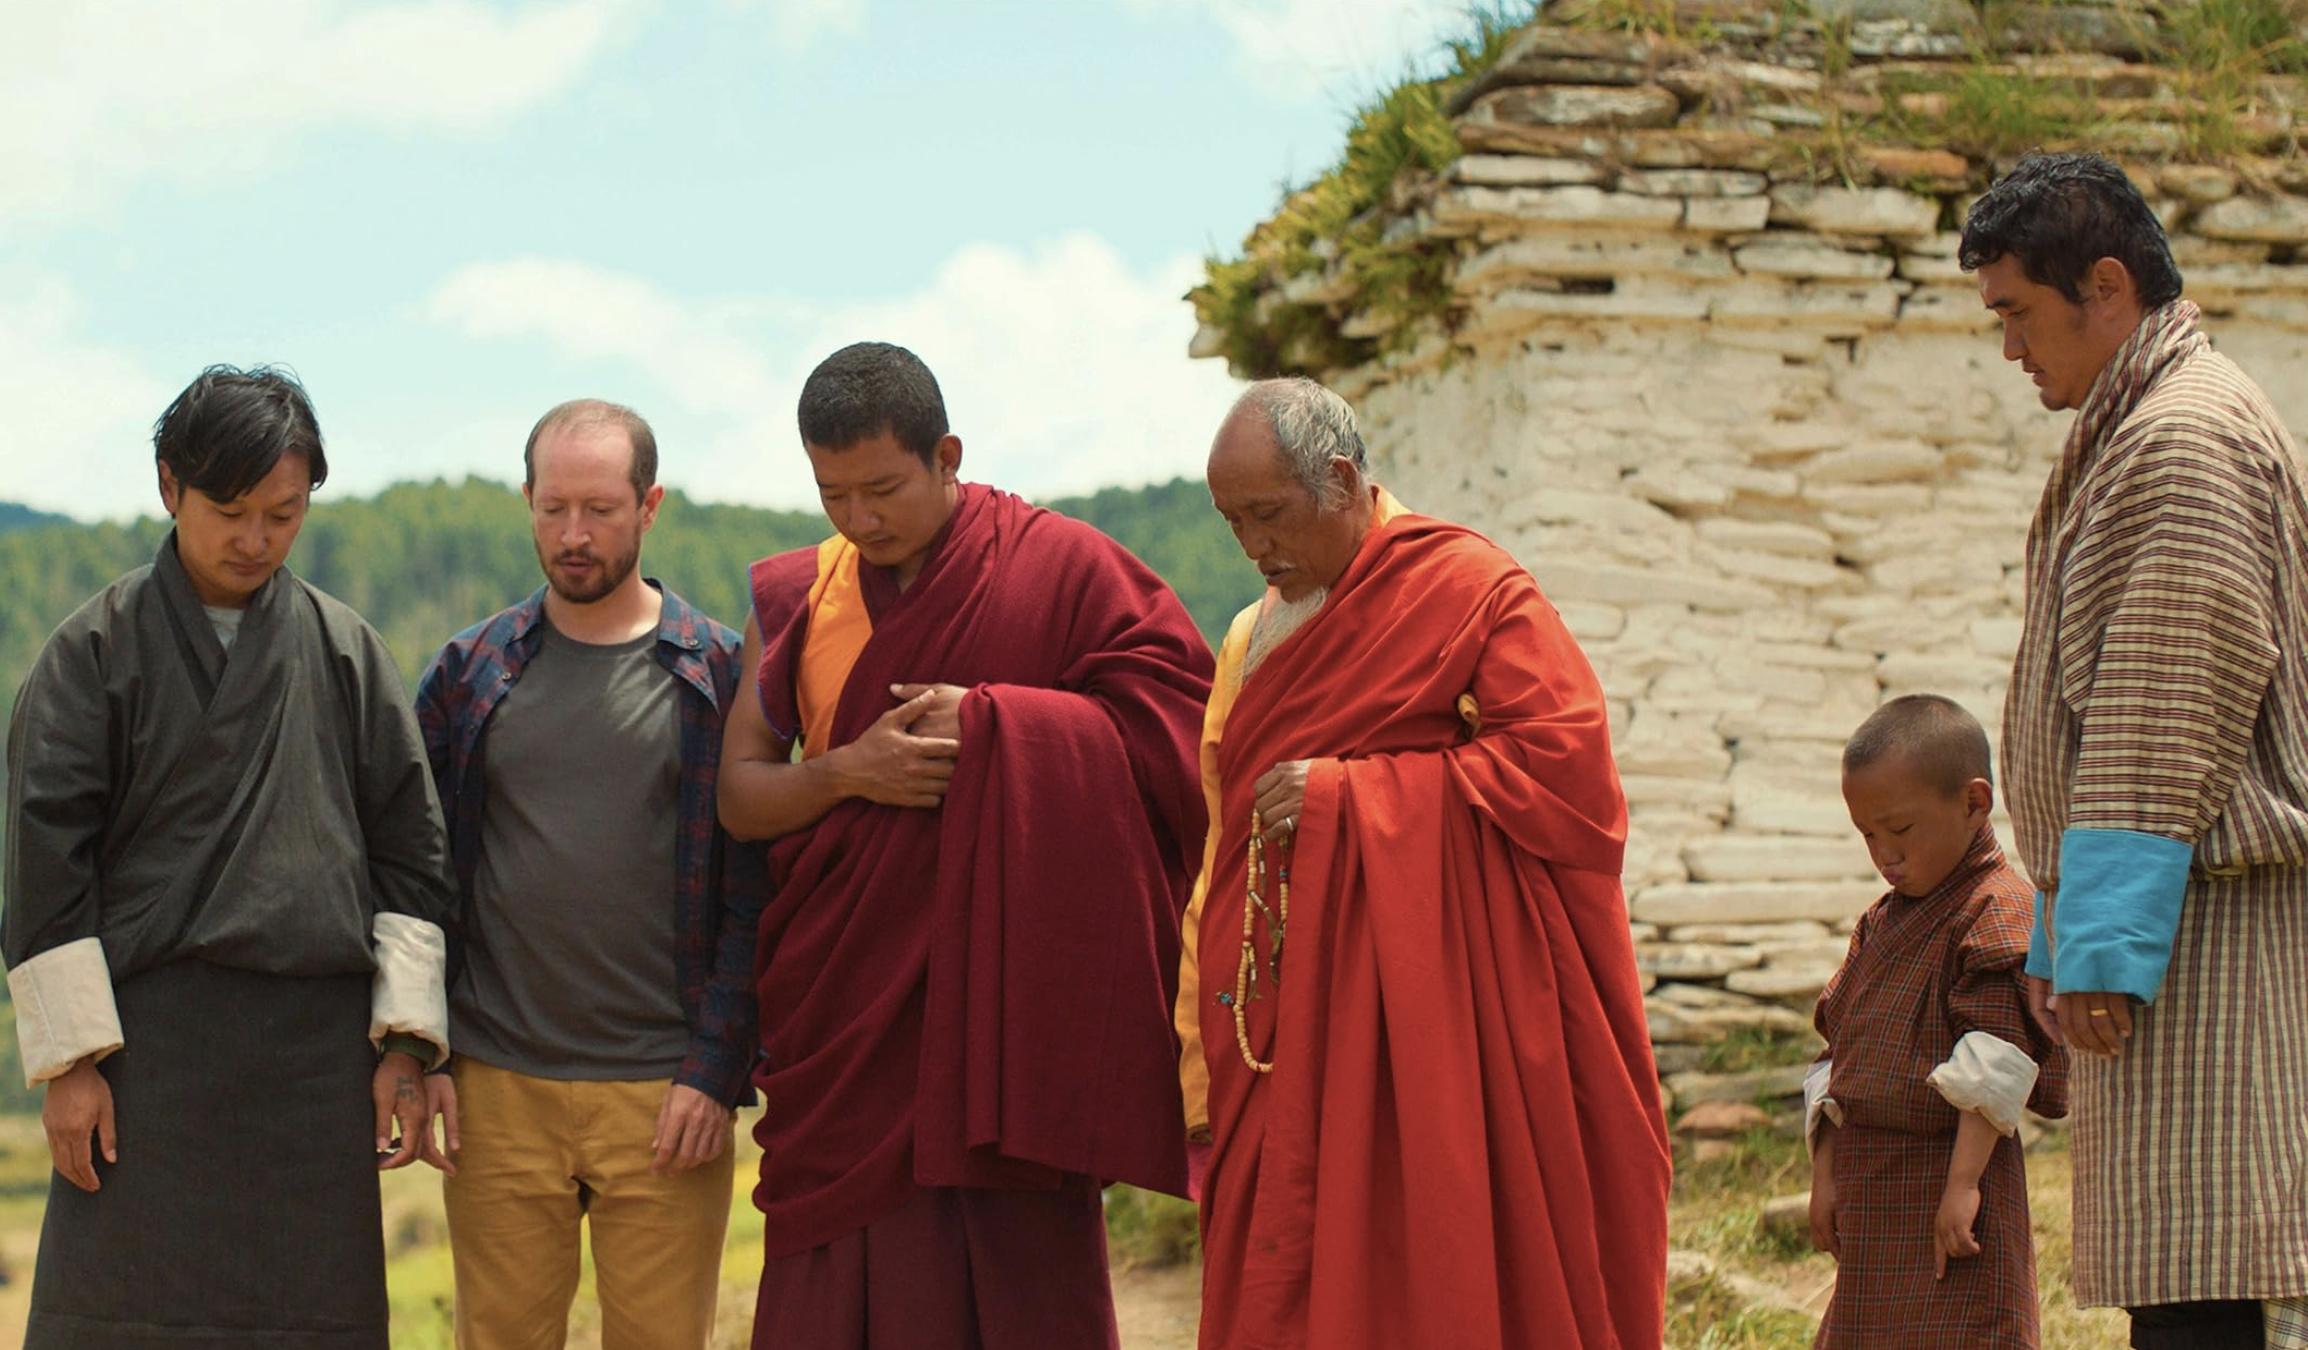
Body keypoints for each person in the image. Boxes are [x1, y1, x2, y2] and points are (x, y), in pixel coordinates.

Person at [718, 341, 1213, 1350]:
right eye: (832, 495)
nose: (859, 520)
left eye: (883, 489)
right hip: (848, 1027)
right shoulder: (805, 598)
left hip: (1011, 1027)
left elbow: (1183, 736)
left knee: (1018, 1288)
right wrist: (844, 772)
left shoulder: (1059, 568)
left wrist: (1002, 728)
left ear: (946, 455)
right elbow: (739, 794)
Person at [1180, 377, 1669, 1350]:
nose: (1252, 549)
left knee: (1439, 1254)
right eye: (1231, 522)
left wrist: (1354, 798)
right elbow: (1221, 839)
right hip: (1285, 1007)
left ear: (1341, 479)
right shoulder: (1250, 638)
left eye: (1268, 516)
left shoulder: (1467, 591)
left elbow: (1567, 778)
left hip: (1439, 1020)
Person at [2, 365, 453, 1349]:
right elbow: (44, 864)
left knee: (310, 1321)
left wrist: (406, 1047)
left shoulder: (346, 652)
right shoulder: (95, 652)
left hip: (314, 1059)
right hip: (144, 1056)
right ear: (170, 486)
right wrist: (73, 1064)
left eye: (283, 516)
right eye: (230, 511)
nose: (255, 540)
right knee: (123, 1321)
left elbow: (412, 856)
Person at [1965, 151, 2308, 1348]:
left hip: (2202, 926)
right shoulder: (2141, 428)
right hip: (2170, 911)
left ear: (2103, 286)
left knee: (2203, 1281)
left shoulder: (2181, 437)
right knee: (2188, 1262)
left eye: (2017, 311)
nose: (2009, 348)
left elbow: (2167, 699)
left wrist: (2100, 943)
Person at [412, 399, 764, 1350]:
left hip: (665, 1092)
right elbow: (417, 881)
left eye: (601, 509)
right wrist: (424, 1053)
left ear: (650, 507)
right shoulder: (467, 672)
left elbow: (755, 898)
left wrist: (715, 1070)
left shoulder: (722, 675)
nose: (574, 535)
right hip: (496, 1084)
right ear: (526, 501)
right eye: (554, 507)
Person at [1806, 695, 2070, 1348]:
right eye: (1868, 835)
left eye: (1900, 831)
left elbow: (1996, 1053)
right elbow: (1837, 1052)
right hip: (1871, 1177)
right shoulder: (1881, 920)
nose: (1884, 854)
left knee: (1964, 1330)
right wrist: (1824, 1176)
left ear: (1974, 803)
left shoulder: (1999, 909)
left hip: (1953, 1171)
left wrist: (1962, 1187)